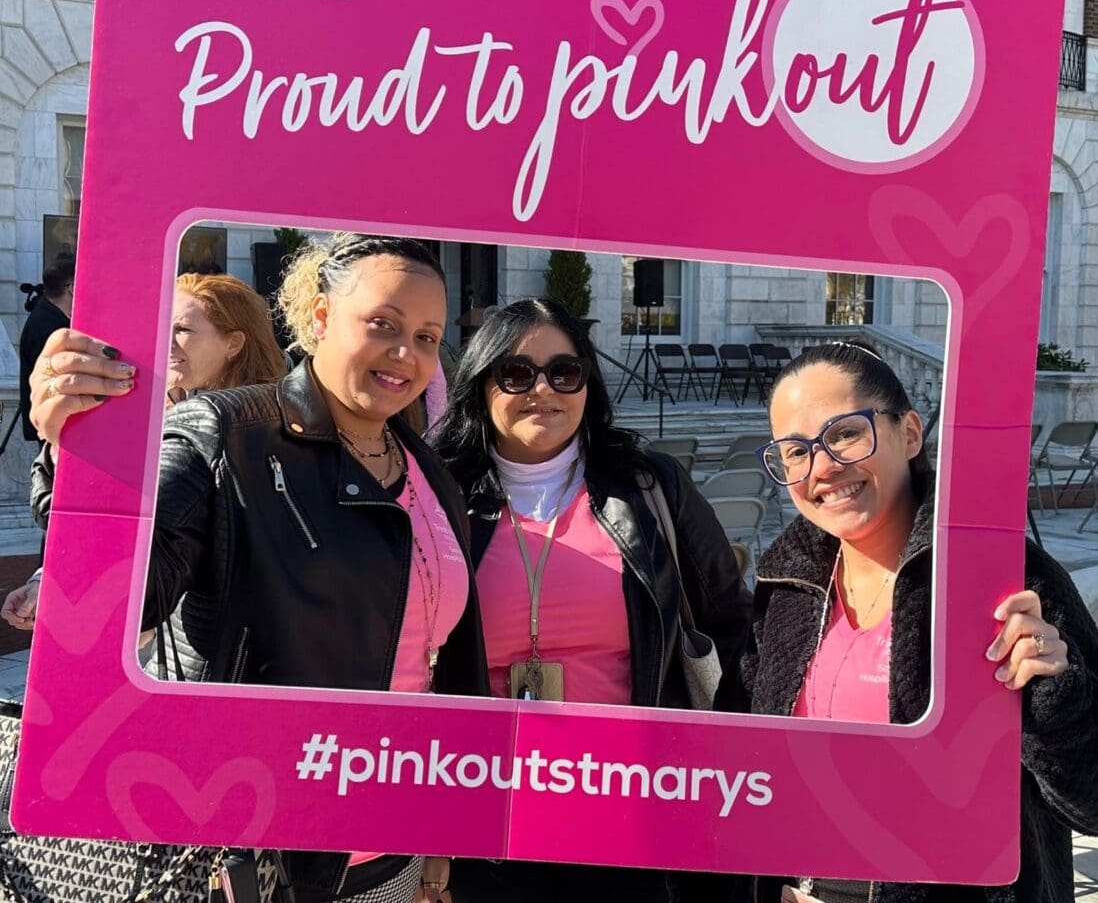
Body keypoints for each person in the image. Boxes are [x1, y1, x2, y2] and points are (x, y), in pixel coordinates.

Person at [19, 234, 489, 903]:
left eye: (425, 336)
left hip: (391, 842)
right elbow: (120, 600)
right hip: (248, 852)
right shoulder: (221, 434)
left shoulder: (431, 473)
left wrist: (445, 834)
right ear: (321, 318)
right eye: (382, 325)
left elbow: (444, 672)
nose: (405, 353)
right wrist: (76, 457)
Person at [717, 340, 1098, 903]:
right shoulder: (786, 588)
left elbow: (1089, 798)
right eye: (794, 451)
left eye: (845, 432)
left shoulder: (1003, 579)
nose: (822, 466)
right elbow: (741, 763)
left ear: (910, 433)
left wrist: (1053, 693)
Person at [432, 297, 753, 903]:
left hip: (632, 807)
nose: (543, 389)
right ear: (480, 383)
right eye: (516, 373)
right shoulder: (438, 494)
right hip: (490, 811)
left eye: (565, 371)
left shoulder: (649, 487)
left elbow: (732, 624)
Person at [3, 272, 288, 632]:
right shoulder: (145, 405)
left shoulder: (268, 430)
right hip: (148, 641)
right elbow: (96, 519)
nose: (165, 343)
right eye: (161, 327)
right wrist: (66, 447)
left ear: (233, 343)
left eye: (182, 330)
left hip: (219, 645)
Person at [18, 251, 75, 442]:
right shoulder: (50, 327)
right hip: (54, 428)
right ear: (72, 288)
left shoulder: (46, 316)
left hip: (52, 424)